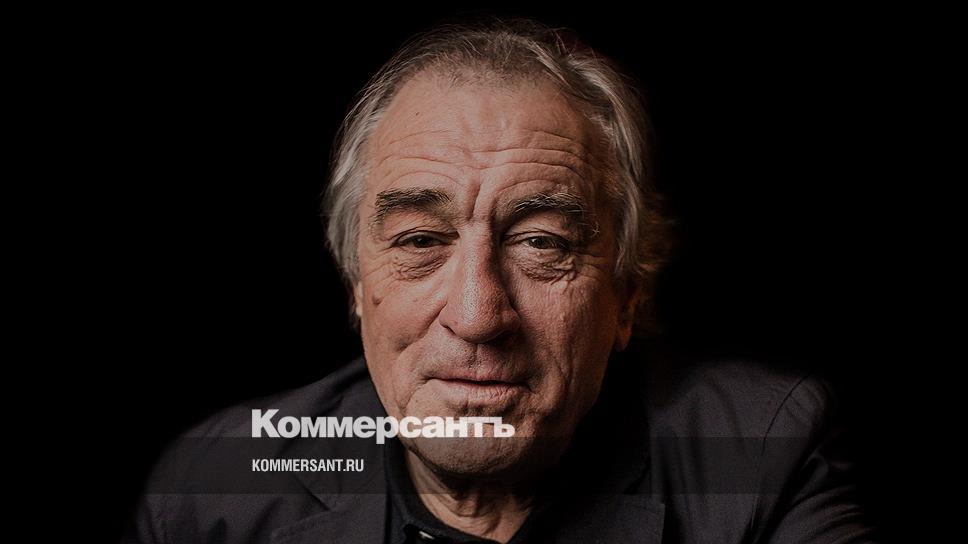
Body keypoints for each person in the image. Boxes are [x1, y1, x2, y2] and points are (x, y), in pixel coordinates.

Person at [124, 18, 877, 543]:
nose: (479, 315)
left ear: (627, 297)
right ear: (356, 284)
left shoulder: (759, 454)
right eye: (420, 241)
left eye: (542, 243)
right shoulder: (218, 486)